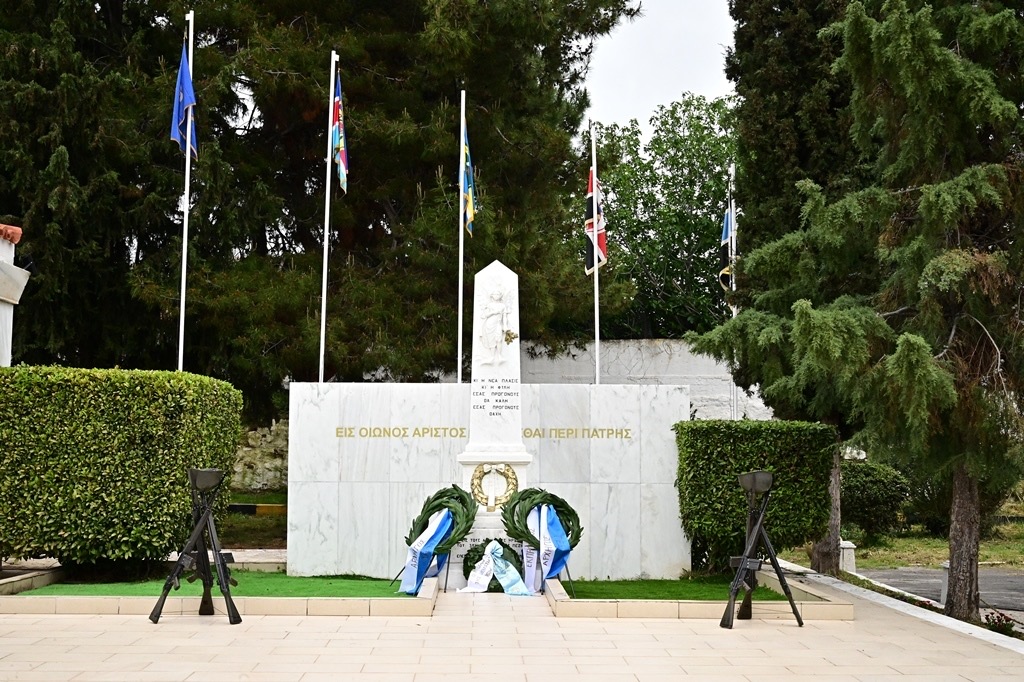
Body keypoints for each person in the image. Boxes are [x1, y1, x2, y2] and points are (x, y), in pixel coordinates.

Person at [478, 289, 509, 365]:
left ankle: (500, 356)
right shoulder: (489, 305)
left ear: (500, 296)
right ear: (492, 296)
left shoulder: (502, 306)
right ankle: (492, 357)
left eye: (498, 294)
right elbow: (484, 315)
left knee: (499, 339)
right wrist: (493, 312)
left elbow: (504, 316)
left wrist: (505, 325)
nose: (496, 296)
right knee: (491, 340)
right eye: (495, 294)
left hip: (498, 324)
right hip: (489, 324)